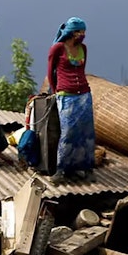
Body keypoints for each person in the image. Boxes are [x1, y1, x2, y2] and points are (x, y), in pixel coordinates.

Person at [46, 17, 96, 182]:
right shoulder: (58, 49)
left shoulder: (84, 48)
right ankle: (61, 169)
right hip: (66, 95)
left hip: (84, 94)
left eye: (83, 32)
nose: (82, 35)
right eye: (79, 32)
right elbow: (50, 72)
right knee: (68, 132)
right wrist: (56, 91)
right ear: (71, 32)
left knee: (86, 133)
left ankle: (85, 168)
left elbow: (82, 70)